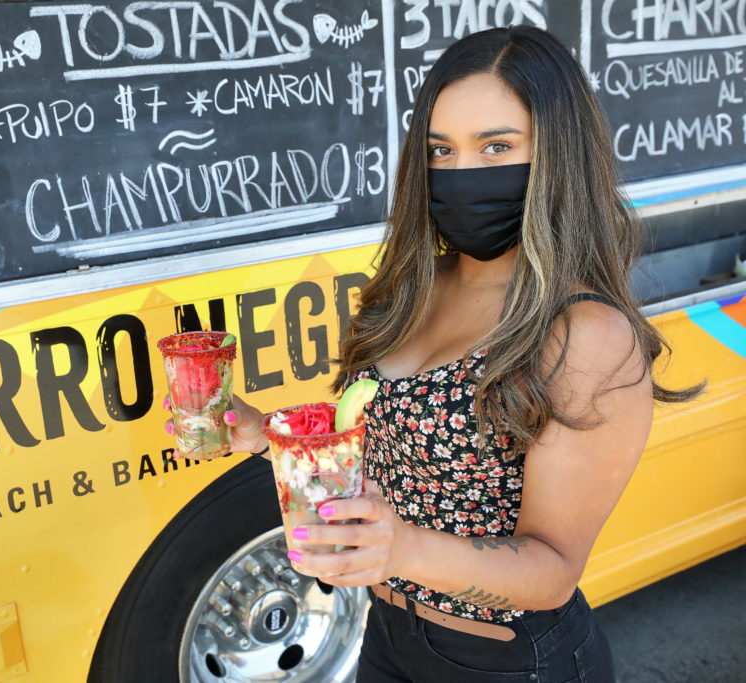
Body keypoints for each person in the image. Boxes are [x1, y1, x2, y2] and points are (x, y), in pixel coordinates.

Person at [166, 25, 701, 682]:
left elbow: (553, 572)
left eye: (496, 146)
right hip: (388, 632)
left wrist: (405, 547)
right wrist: (258, 432)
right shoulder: (419, 287)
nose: (459, 173)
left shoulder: (584, 332)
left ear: (559, 155)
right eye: (440, 150)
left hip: (507, 659)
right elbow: (393, 445)